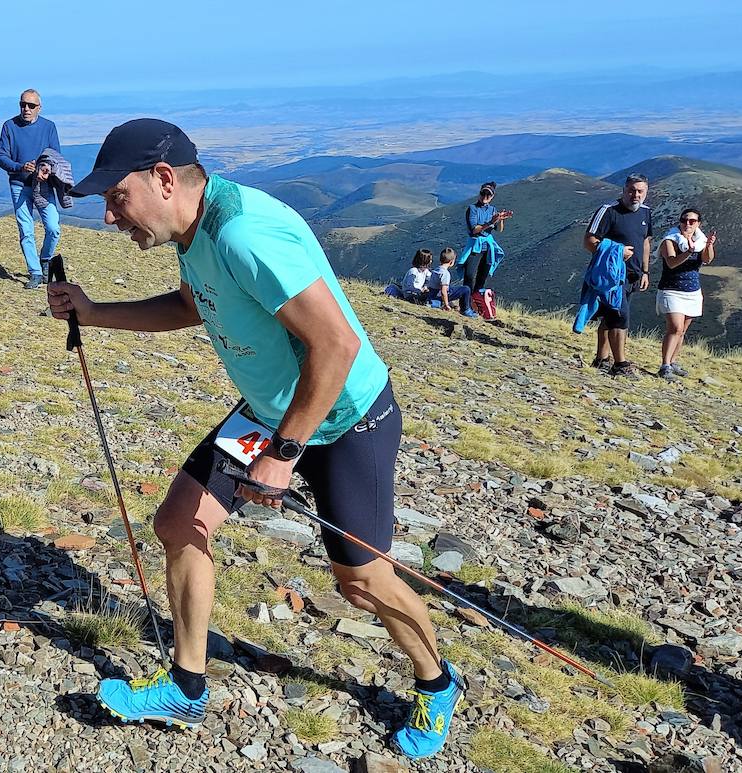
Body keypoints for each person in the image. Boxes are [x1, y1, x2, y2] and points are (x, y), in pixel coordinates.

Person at [49, 119, 464, 761]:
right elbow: (191, 308)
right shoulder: (192, 231)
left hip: (348, 416)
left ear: (164, 180)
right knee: (180, 521)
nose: (109, 216)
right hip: (273, 412)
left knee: (360, 579)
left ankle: (437, 682)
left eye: (116, 197)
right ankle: (186, 686)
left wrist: (285, 452)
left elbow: (337, 343)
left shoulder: (243, 234)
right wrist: (96, 312)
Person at [584, 174, 652, 377]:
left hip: (632, 274)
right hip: (610, 276)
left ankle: (601, 359)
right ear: (624, 190)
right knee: (620, 316)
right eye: (631, 190)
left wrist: (645, 271)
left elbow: (646, 241)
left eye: (640, 191)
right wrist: (617, 251)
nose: (635, 195)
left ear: (646, 192)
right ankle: (620, 364)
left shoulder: (646, 213)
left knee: (609, 316)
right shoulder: (608, 211)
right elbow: (588, 241)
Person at [0, 89, 61, 288]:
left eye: (31, 105)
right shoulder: (9, 126)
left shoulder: (49, 127)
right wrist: (20, 167)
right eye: (23, 104)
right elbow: (2, 157)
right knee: (26, 230)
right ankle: (34, 272)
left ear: (39, 108)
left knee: (53, 227)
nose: (26, 109)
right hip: (19, 184)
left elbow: (55, 154)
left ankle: (45, 258)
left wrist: (46, 168)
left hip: (43, 185)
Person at [656, 208, 717, 381]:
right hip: (671, 289)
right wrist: (688, 252)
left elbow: (707, 259)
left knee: (682, 331)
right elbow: (672, 262)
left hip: (692, 291)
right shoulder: (670, 240)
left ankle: (673, 361)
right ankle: (665, 365)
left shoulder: (701, 241)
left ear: (698, 224)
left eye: (692, 221)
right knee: (675, 327)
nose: (687, 224)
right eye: (684, 220)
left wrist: (709, 245)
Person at [459, 182, 511, 295]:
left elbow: (499, 229)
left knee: (482, 276)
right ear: (479, 193)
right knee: (469, 275)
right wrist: (491, 222)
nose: (485, 197)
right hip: (475, 246)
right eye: (483, 194)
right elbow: (474, 229)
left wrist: (501, 219)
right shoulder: (472, 209)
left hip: (487, 246)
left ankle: (476, 302)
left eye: (488, 195)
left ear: (492, 197)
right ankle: (465, 303)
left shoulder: (493, 210)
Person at [430, 248, 474, 316]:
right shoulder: (445, 274)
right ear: (451, 262)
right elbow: (443, 291)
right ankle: (466, 310)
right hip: (440, 294)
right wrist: (446, 304)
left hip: (433, 293)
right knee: (466, 289)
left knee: (450, 287)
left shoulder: (436, 270)